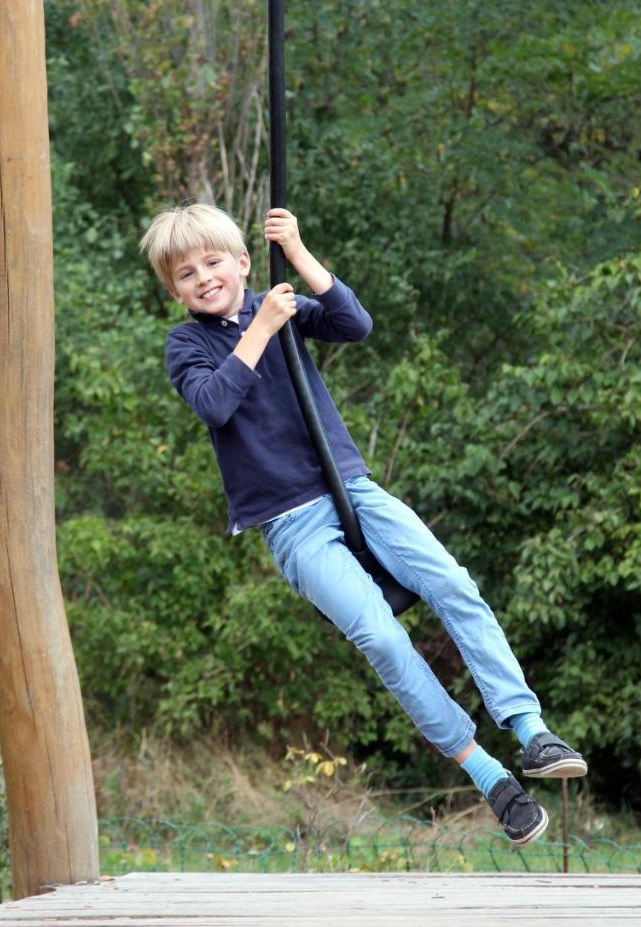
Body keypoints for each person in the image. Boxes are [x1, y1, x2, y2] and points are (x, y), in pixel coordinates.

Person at [140, 202, 586, 845]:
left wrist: (295, 253)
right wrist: (259, 328)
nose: (203, 279)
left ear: (242, 261)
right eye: (185, 274)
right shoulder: (188, 342)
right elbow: (213, 404)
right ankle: (489, 776)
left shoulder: (282, 303)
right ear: (173, 289)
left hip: (353, 489)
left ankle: (530, 730)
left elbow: (355, 323)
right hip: (290, 522)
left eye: (214, 262)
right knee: (380, 638)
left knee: (452, 583)